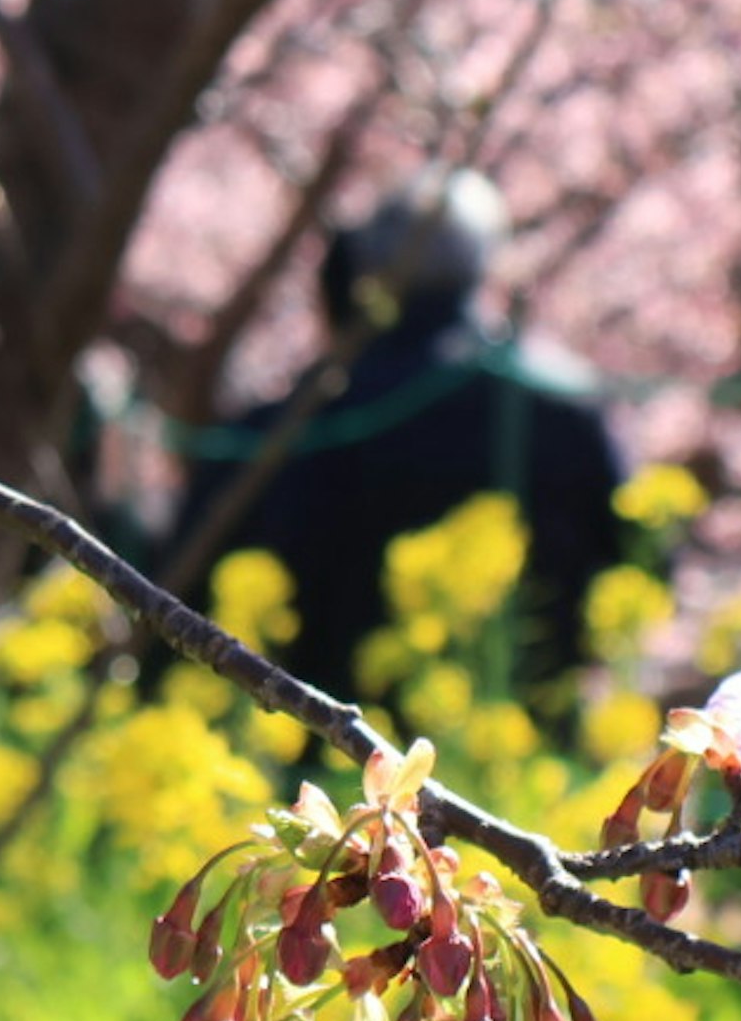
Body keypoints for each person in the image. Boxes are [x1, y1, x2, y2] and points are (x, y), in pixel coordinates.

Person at [171, 171, 627, 694]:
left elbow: (189, 589)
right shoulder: (563, 407)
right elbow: (636, 559)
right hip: (523, 741)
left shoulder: (291, 421)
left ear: (367, 267)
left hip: (313, 746)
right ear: (486, 264)